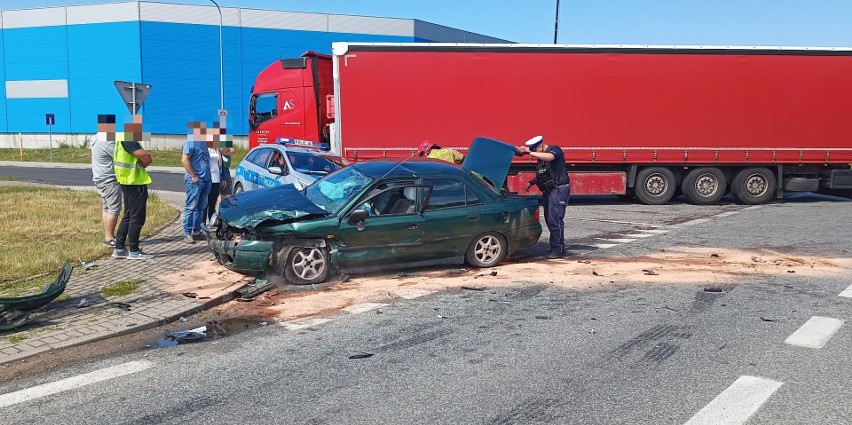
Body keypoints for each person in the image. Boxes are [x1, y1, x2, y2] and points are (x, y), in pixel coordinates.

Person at [518, 135, 570, 259]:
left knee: (555, 219)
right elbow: (543, 173)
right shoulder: (541, 157)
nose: (535, 153)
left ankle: (558, 250)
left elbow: (550, 157)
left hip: (558, 190)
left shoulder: (554, 150)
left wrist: (530, 152)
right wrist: (531, 182)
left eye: (536, 150)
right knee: (549, 219)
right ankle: (555, 247)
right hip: (548, 191)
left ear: (541, 146)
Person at [112, 114, 154, 260]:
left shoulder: (121, 139)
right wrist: (146, 162)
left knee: (128, 216)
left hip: (126, 181)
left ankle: (119, 248)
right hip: (135, 183)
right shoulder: (129, 139)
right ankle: (134, 250)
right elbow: (146, 157)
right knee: (137, 218)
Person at [91, 114, 121, 247]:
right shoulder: (106, 141)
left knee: (107, 207)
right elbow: (119, 155)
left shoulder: (96, 138)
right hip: (109, 179)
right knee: (114, 208)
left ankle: (108, 236)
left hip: (100, 178)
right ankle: (109, 238)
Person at [181, 121, 211, 244]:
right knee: (191, 206)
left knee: (201, 207)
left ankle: (196, 231)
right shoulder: (190, 143)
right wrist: (193, 175)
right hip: (195, 180)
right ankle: (187, 233)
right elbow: (184, 160)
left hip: (206, 179)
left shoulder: (203, 144)